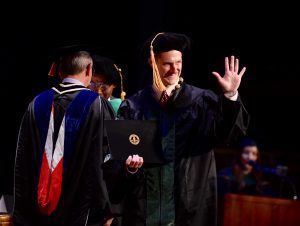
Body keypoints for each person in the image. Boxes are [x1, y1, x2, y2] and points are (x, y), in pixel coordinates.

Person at [117, 32, 250, 226]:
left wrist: (230, 96)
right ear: (152, 62)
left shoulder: (201, 101)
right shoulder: (134, 106)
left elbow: (228, 134)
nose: (174, 69)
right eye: (167, 64)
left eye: (178, 62)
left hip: (189, 206)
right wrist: (129, 167)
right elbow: (121, 157)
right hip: (144, 208)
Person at [12, 46, 143, 226]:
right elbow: (110, 161)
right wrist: (108, 205)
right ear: (89, 69)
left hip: (37, 213)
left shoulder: (36, 103)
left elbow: (23, 163)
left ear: (59, 71)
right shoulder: (97, 105)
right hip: (83, 213)